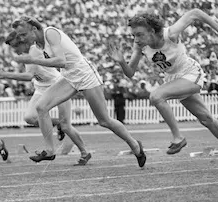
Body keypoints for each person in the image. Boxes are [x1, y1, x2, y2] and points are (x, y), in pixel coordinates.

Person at [107, 9, 218, 171]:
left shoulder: (170, 33)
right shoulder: (140, 46)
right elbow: (130, 73)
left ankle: (178, 137)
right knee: (206, 118)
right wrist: (121, 62)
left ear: (152, 31)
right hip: (174, 79)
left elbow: (195, 13)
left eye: (140, 34)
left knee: (156, 96)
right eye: (133, 35)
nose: (136, 39)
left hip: (191, 73)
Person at [8, 16, 146, 167]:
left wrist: (33, 61)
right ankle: (49, 151)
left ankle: (135, 146)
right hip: (69, 77)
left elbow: (61, 61)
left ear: (34, 29)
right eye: (19, 36)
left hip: (85, 74)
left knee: (104, 121)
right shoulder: (37, 46)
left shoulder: (50, 33)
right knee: (41, 107)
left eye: (23, 34)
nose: (22, 39)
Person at [0, 28, 92, 165]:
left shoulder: (33, 51)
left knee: (67, 126)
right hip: (40, 87)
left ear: (23, 41)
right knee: (30, 118)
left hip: (56, 84)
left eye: (16, 46)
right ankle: (58, 125)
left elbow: (28, 76)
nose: (16, 51)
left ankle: (85, 152)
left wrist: (5, 74)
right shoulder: (27, 52)